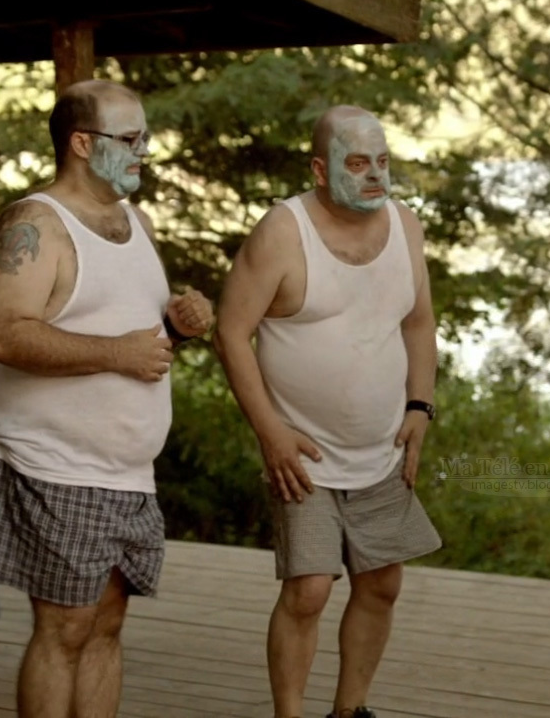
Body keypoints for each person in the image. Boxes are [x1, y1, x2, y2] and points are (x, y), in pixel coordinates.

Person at [0, 79, 214, 718]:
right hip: (54, 464)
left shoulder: (135, 222)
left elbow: (135, 336)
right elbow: (3, 335)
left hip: (129, 473)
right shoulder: (34, 223)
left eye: (145, 138)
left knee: (107, 625)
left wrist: (176, 327)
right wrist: (117, 354)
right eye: (130, 138)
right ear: (82, 143)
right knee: (65, 629)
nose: (144, 151)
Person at [212, 104, 442, 718]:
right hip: (303, 453)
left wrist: (421, 405)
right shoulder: (283, 232)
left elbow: (419, 322)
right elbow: (230, 332)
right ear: (320, 170)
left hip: (382, 449)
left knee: (382, 583)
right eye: (358, 163)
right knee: (309, 589)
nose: (376, 176)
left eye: (383, 162)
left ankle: (350, 711)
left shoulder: (406, 225)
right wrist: (271, 433)